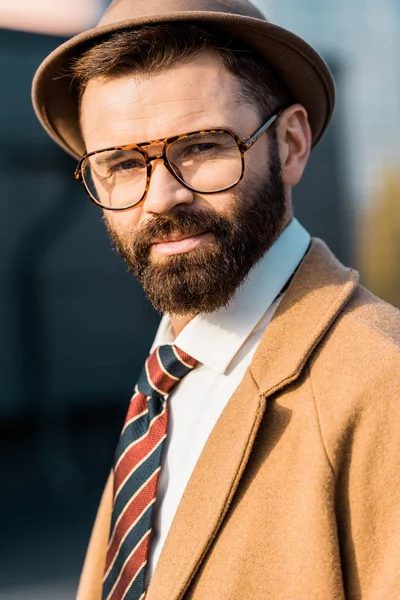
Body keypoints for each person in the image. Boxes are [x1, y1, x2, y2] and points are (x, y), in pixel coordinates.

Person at [32, 1, 400, 599]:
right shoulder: (167, 375)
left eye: (203, 147)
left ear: (291, 145)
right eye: (122, 163)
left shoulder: (383, 383)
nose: (160, 198)